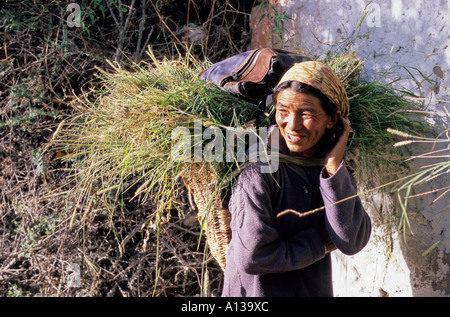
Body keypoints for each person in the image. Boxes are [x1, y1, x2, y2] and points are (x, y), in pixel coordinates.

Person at [221, 61, 371, 297]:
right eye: (283, 111)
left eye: (306, 113)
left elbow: (351, 241)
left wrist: (333, 169)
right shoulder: (258, 171)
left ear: (333, 119)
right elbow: (252, 256)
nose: (292, 125)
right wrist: (318, 244)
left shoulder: (332, 166)